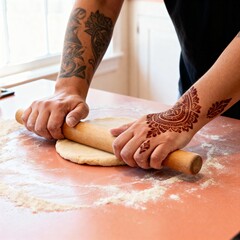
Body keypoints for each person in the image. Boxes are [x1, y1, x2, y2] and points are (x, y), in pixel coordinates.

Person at [21, 0, 240, 170]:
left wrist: (183, 115)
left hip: (194, 111)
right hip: (201, 102)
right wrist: (68, 88)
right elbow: (102, 2)